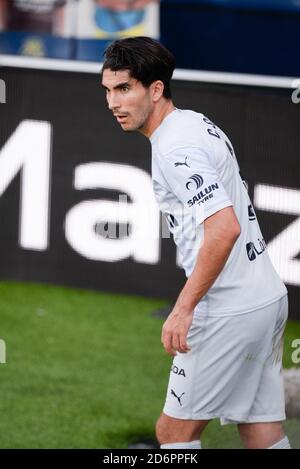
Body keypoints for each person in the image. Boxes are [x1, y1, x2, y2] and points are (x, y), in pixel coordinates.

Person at [101, 36, 290, 450]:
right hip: (267, 299)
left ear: (154, 89)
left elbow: (224, 229)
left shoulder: (175, 146)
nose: (113, 102)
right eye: (109, 90)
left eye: (124, 88)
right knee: (261, 430)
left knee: (174, 434)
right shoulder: (193, 122)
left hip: (229, 309)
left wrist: (183, 309)